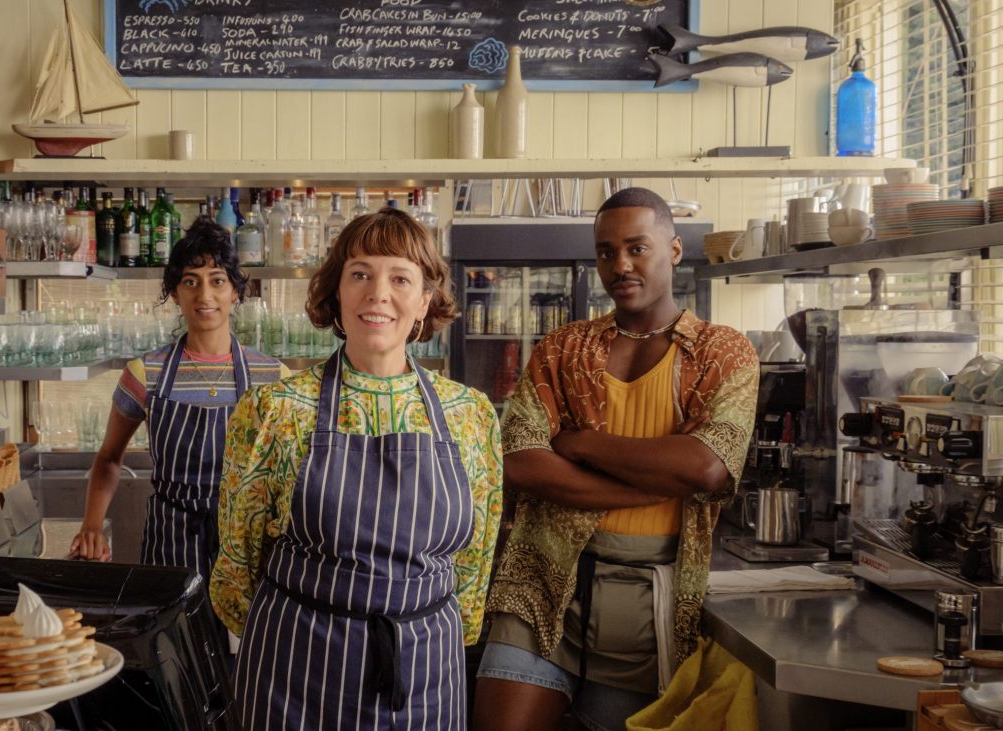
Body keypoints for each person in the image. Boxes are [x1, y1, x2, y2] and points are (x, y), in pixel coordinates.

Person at [472, 187, 759, 731]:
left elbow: (704, 467)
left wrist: (579, 444)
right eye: (606, 252)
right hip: (542, 578)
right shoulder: (562, 348)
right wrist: (659, 480)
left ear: (674, 250)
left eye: (636, 248)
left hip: (652, 602)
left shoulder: (722, 351)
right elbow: (521, 460)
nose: (620, 265)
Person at [211, 207, 503, 730]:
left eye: (400, 278)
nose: (378, 293)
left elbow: (474, 568)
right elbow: (237, 565)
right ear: (337, 292)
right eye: (360, 274)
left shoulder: (471, 415)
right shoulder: (274, 411)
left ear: (425, 300)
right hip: (296, 666)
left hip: (425, 666)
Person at [69, 218, 284, 575]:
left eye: (217, 280)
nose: (205, 295)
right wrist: (92, 525)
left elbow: (292, 472)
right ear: (174, 293)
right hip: (171, 545)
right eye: (191, 282)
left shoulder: (273, 376)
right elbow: (108, 458)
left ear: (235, 291)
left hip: (247, 546)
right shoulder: (145, 373)